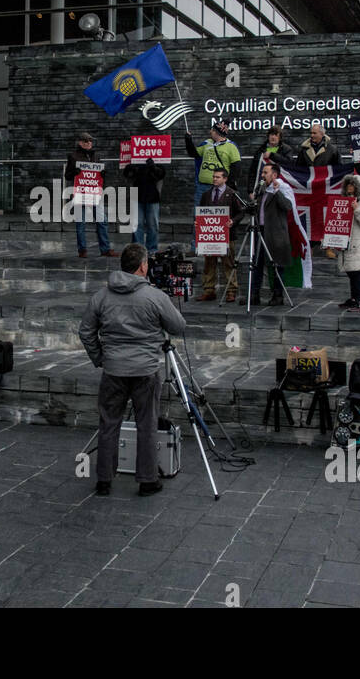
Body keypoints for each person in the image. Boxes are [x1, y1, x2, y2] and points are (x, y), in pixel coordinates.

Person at [78, 243, 187, 497]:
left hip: (113, 369)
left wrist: (101, 358)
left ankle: (104, 479)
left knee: (108, 424)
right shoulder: (155, 296)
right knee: (146, 424)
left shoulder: (102, 296)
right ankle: (147, 480)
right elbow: (178, 326)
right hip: (145, 370)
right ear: (143, 266)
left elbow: (85, 331)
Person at [249, 162, 294, 307]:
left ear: (274, 175)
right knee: (256, 263)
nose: (262, 176)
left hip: (275, 232)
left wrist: (276, 192)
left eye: (265, 173)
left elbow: (288, 206)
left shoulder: (283, 187)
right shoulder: (262, 188)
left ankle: (278, 295)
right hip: (260, 230)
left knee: (276, 264)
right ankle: (254, 294)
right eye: (262, 173)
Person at [66, 131, 115, 258]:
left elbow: (99, 174)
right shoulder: (73, 156)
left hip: (94, 192)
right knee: (80, 222)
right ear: (80, 142)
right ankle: (82, 249)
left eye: (90, 141)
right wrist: (74, 172)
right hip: (80, 192)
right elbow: (67, 175)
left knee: (102, 220)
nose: (89, 143)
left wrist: (103, 174)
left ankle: (105, 249)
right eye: (86, 141)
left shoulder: (96, 156)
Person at [198, 167, 242, 302]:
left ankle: (231, 291)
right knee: (209, 263)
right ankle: (209, 290)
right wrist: (198, 223)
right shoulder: (206, 194)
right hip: (210, 235)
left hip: (227, 234)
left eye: (218, 177)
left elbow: (241, 212)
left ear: (225, 178)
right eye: (214, 177)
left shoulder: (233, 194)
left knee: (228, 263)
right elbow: (201, 211)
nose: (215, 179)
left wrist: (232, 221)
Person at [336, 173, 360, 312]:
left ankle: (358, 300)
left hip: (357, 242)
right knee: (351, 271)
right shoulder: (344, 200)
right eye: (348, 184)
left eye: (352, 184)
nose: (349, 187)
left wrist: (356, 209)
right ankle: (353, 298)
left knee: (357, 271)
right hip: (345, 241)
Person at [184, 120, 242, 209]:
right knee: (200, 213)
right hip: (203, 186)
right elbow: (194, 154)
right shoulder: (207, 143)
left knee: (219, 212)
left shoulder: (231, 146)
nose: (210, 131)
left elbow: (236, 167)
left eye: (212, 130)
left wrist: (228, 184)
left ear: (217, 132)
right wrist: (188, 141)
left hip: (220, 187)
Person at [122, 156, 165, 254]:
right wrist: (130, 167)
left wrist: (153, 167)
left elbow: (161, 174)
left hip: (153, 196)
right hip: (136, 196)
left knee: (153, 225)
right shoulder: (134, 159)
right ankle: (137, 250)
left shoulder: (158, 158)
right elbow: (127, 174)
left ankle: (152, 249)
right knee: (137, 225)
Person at [247, 125, 298, 191]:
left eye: (276, 135)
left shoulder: (286, 149)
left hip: (280, 185)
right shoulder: (261, 150)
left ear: (280, 137)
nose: (273, 137)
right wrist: (251, 190)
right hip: (263, 184)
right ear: (268, 136)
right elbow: (253, 171)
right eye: (271, 134)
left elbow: (289, 163)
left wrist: (272, 155)